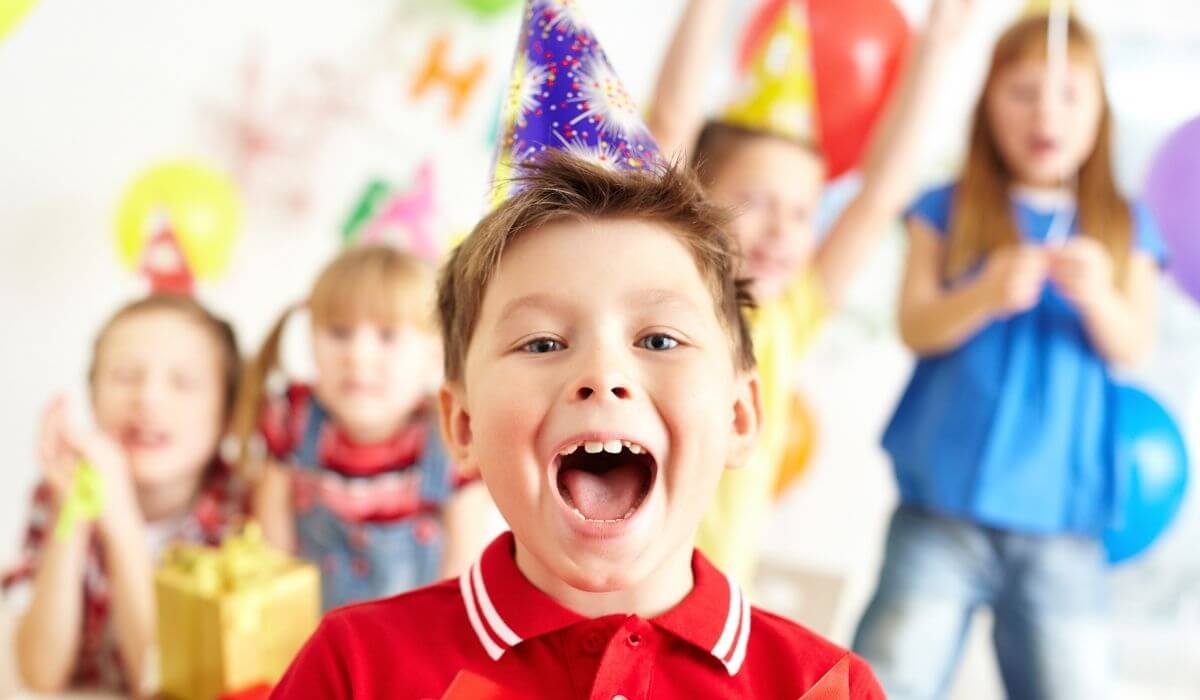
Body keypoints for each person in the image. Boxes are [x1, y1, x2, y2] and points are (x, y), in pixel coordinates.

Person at [852, 14, 1166, 700]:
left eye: (1067, 94)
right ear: (987, 103)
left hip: (1063, 524)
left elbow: (1134, 346)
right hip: (941, 510)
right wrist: (985, 293)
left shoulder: (1123, 223)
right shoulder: (947, 207)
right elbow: (915, 325)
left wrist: (1100, 299)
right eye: (1022, 92)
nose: (1044, 112)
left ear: (1100, 112)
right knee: (889, 678)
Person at [646, 0, 974, 583]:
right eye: (758, 202)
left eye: (802, 213)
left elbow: (881, 194)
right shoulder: (669, 289)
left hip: (716, 601)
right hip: (615, 590)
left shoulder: (786, 316)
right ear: (692, 201)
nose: (783, 230)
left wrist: (935, 48)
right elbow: (669, 123)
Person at [2, 295, 247, 693]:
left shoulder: (240, 514)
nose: (148, 398)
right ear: (92, 398)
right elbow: (38, 675)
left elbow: (163, 684)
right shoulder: (55, 495)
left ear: (226, 414)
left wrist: (119, 517)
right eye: (124, 376)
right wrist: (73, 514)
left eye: (182, 382)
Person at [234, 245, 489, 611]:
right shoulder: (294, 418)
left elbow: (459, 569)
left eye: (387, 336)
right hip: (309, 633)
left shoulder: (450, 438)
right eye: (339, 332)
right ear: (311, 340)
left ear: (436, 353)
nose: (357, 355)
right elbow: (273, 547)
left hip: (407, 638)